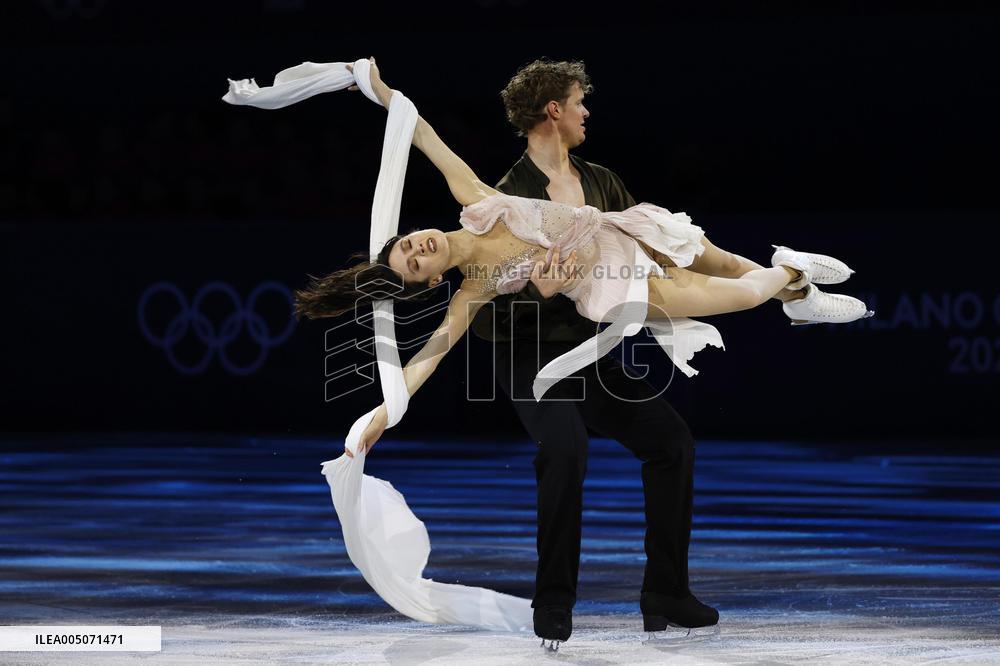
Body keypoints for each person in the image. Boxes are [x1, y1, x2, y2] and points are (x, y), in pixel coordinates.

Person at [294, 58, 869, 645]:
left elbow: (423, 135)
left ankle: (665, 591)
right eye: (415, 263)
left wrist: (375, 87)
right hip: (531, 360)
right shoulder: (475, 280)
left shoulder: (484, 197)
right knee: (565, 448)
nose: (418, 247)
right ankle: (554, 605)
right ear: (431, 279)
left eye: (408, 245)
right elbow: (433, 354)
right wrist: (382, 415)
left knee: (672, 441)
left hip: (589, 334)